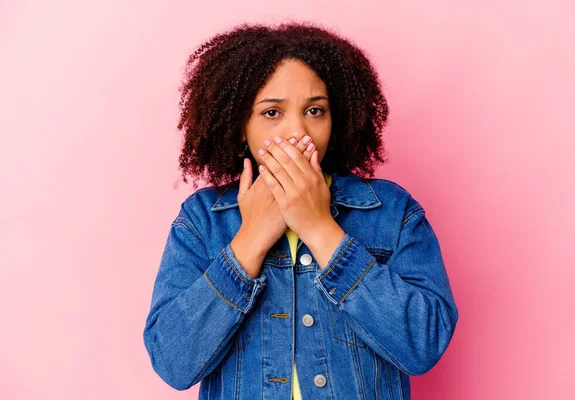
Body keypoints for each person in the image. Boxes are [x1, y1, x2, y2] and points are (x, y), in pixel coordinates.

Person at [142, 21, 459, 399]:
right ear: (240, 126)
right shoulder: (202, 220)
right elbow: (173, 363)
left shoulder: (391, 212)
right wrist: (251, 238)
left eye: (314, 110)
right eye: (272, 113)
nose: (298, 132)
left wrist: (321, 229)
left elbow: (424, 346)